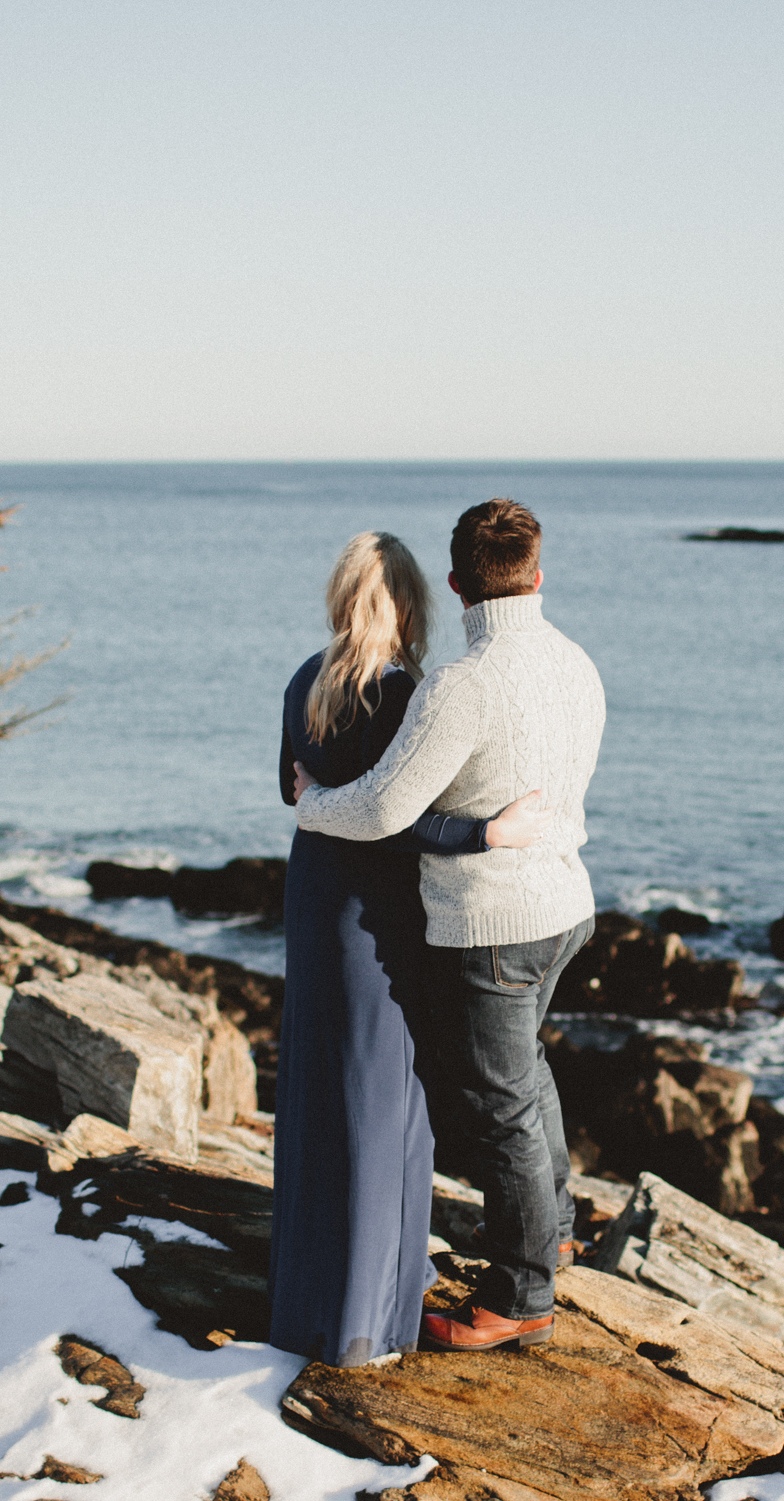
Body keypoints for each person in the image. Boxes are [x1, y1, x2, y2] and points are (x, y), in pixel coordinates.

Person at [292, 499, 605, 1352]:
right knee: (527, 1076)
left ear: (461, 585)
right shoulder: (578, 664)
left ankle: (522, 1296)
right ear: (538, 575)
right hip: (566, 907)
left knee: (499, 1108)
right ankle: (558, 1229)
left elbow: (387, 808)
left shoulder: (459, 687)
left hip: (493, 923)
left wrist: (315, 805)